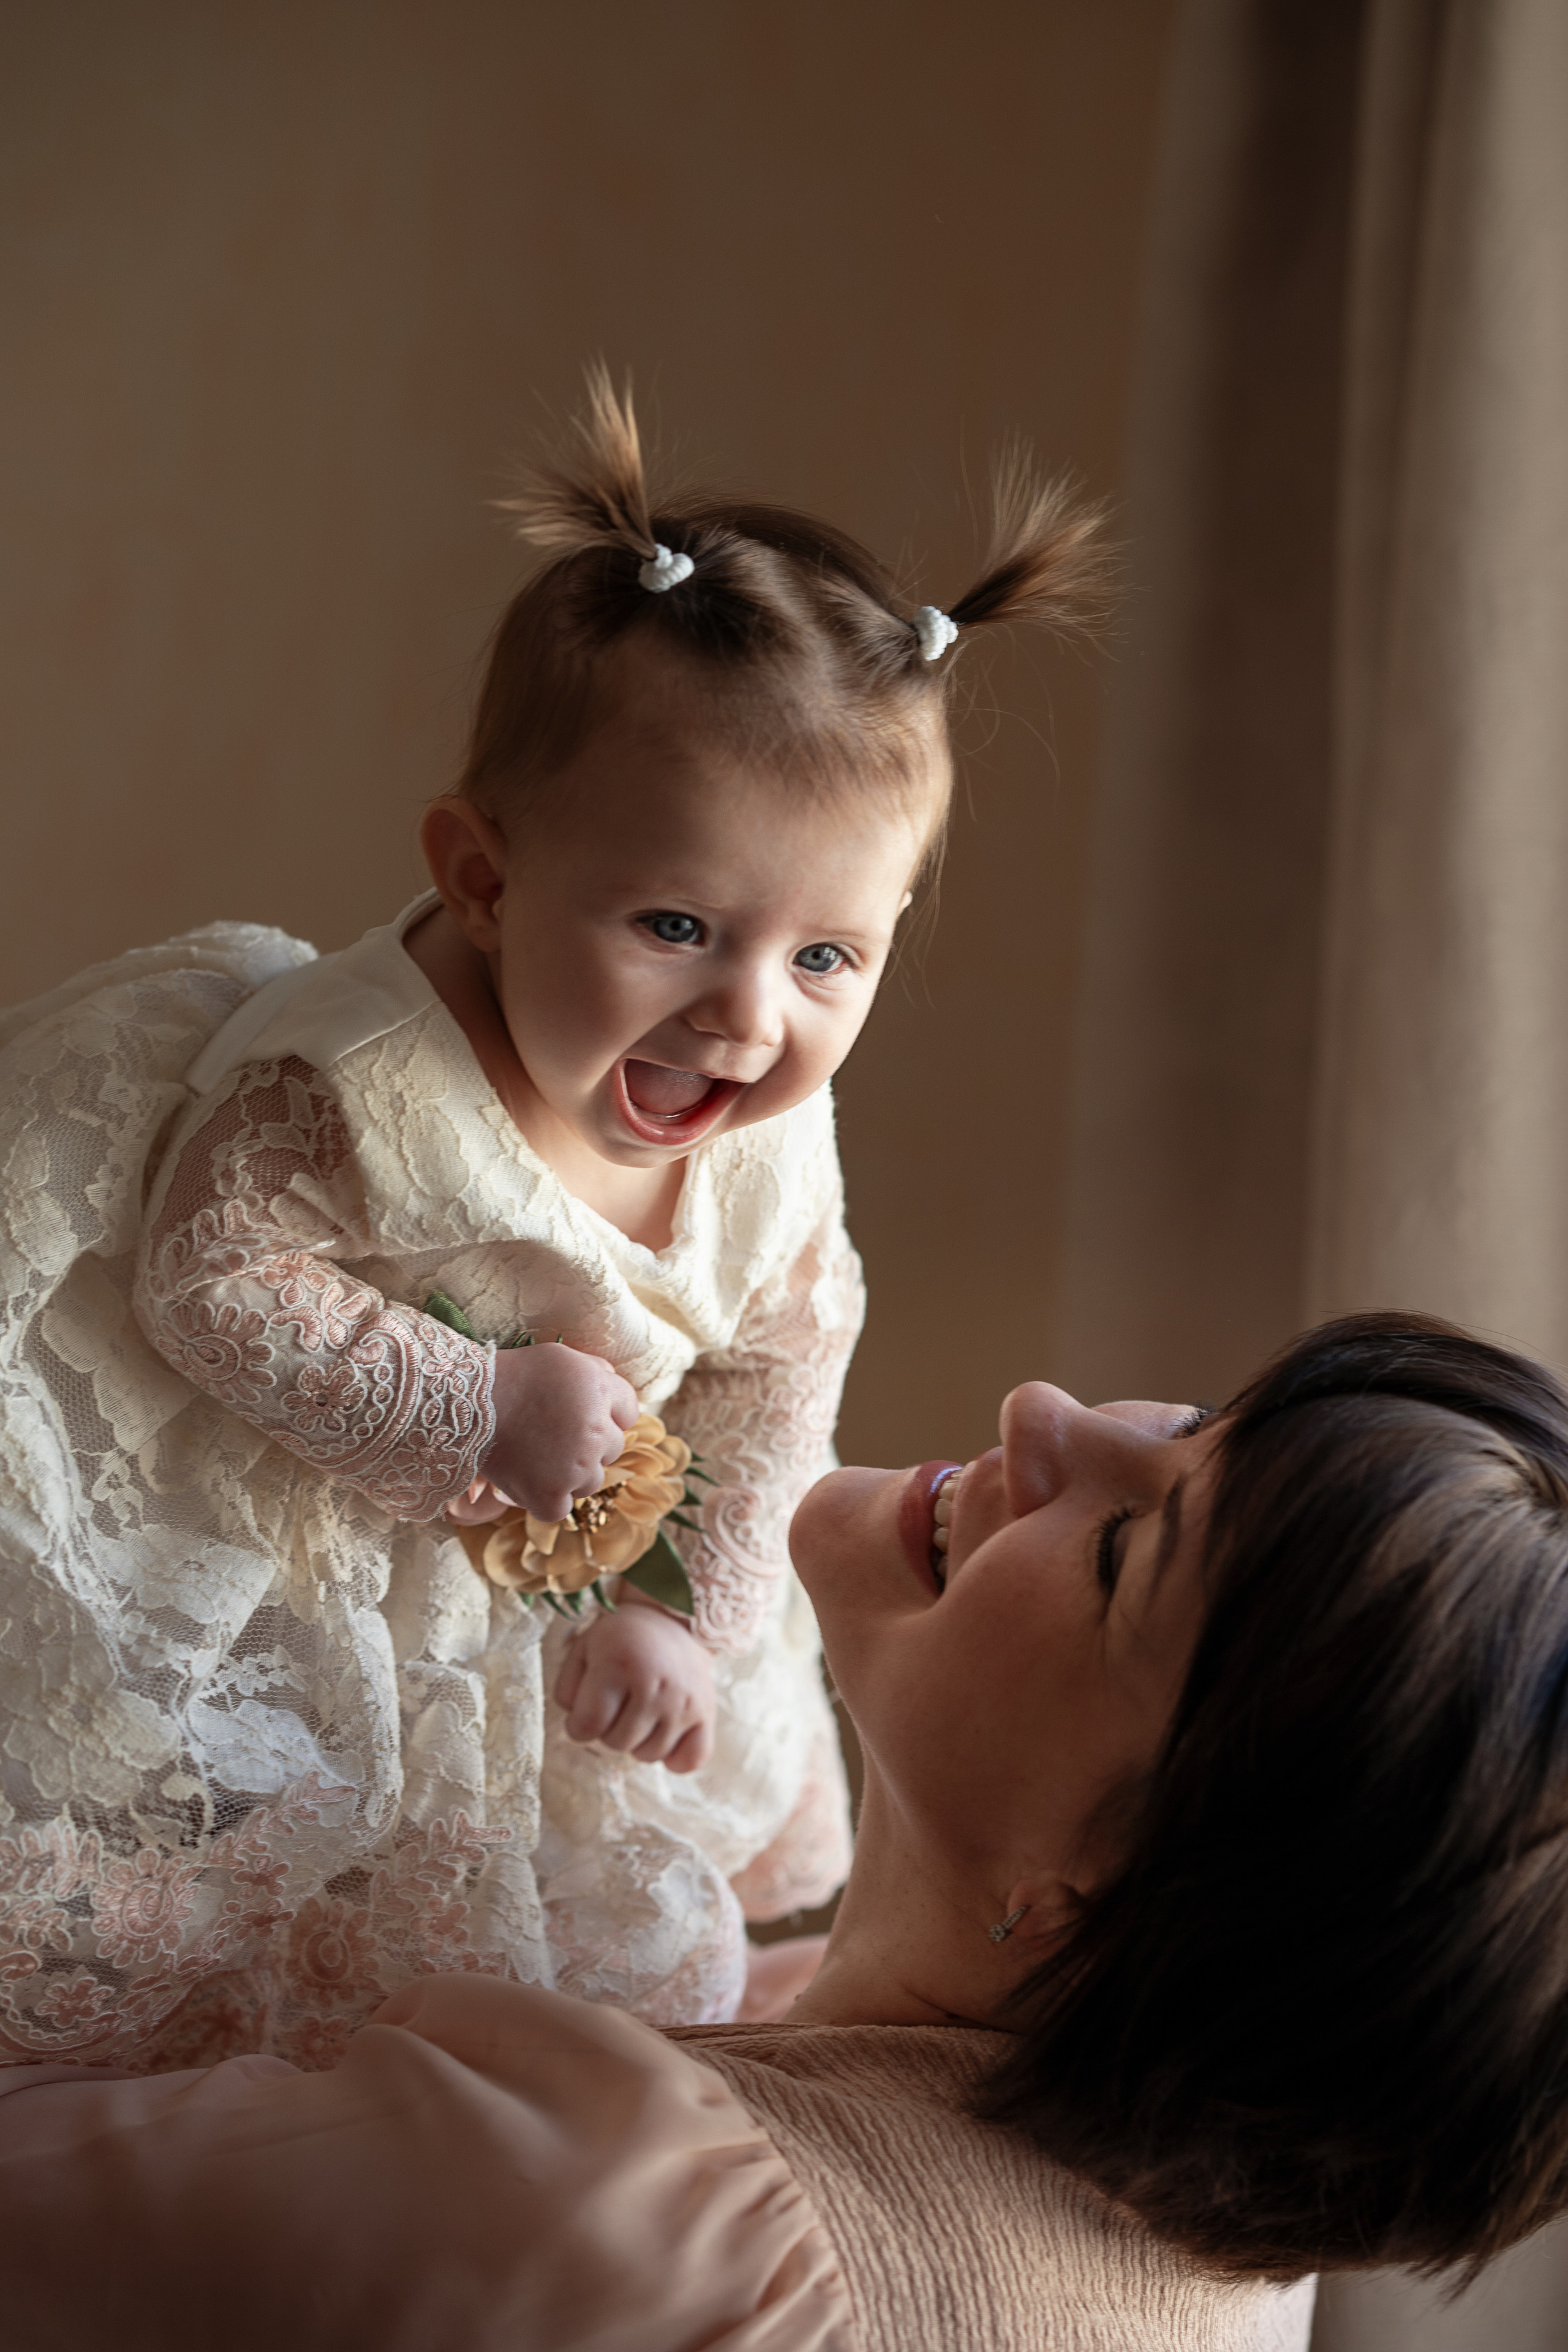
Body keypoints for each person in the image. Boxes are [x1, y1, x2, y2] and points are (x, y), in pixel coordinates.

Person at [0, 371, 1110, 2062]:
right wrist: (476, 1407)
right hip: (287, 1534)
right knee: (203, 1887)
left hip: (547, 1607)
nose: (749, 1017)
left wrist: (678, 1611)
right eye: (678, 924)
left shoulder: (768, 1139)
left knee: (516, 1949)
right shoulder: (363, 1079)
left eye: (827, 958)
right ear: (483, 877)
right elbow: (210, 1274)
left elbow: (780, 1367)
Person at [7, 1308, 1568, 2351]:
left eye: (1124, 1553)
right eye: (1200, 1425)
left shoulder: (631, 2224)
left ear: (1095, 1898)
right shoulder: (1235, 2277)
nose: (1048, 1417)